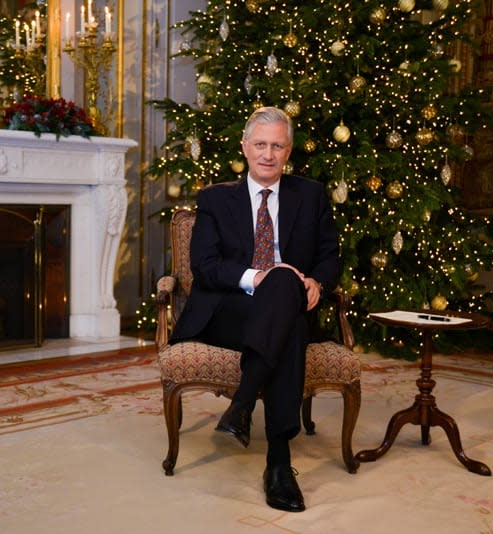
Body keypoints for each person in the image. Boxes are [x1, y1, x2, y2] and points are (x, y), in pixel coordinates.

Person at [169, 106, 340, 512]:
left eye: (277, 145)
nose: (268, 153)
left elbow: (330, 257)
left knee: (287, 300)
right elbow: (205, 268)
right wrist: (256, 278)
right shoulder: (215, 199)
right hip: (228, 312)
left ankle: (245, 410)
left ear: (289, 150)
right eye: (260, 144)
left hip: (288, 307)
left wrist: (317, 281)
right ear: (245, 148)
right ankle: (278, 462)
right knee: (282, 291)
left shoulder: (310, 195)